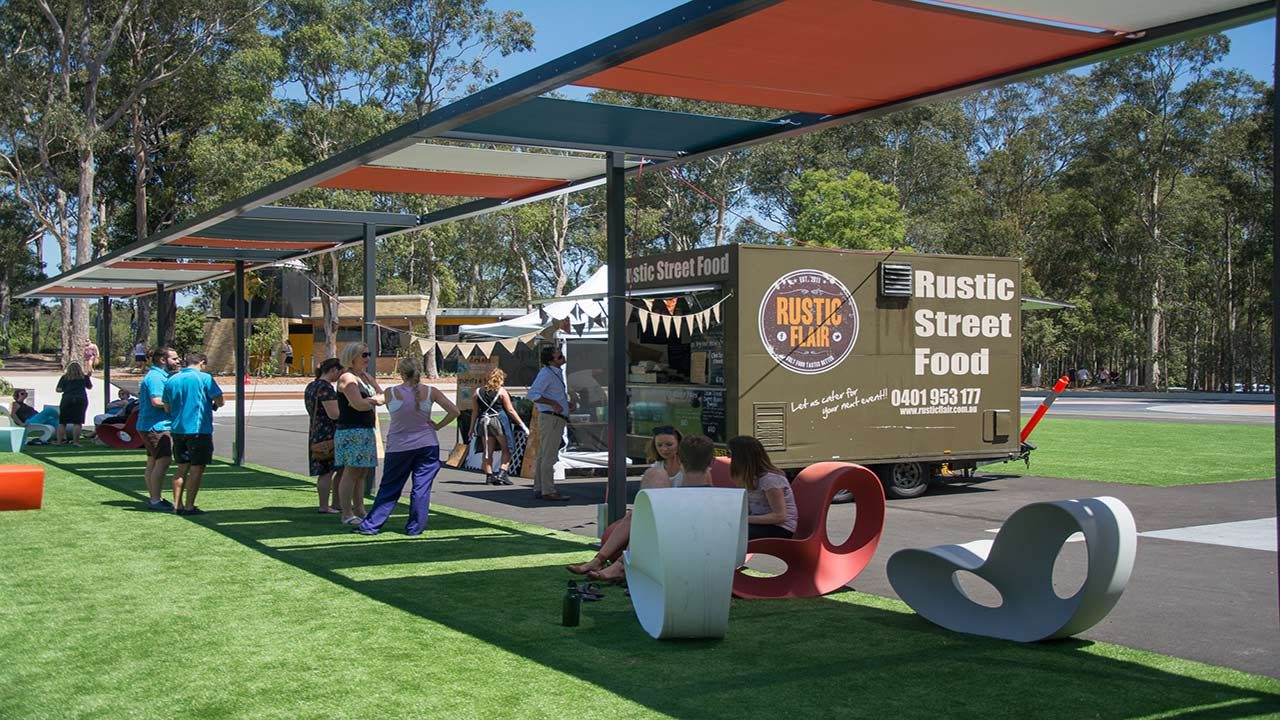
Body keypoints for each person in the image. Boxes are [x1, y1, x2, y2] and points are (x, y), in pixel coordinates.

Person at [568, 434, 714, 583]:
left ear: (680, 457)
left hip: (676, 545)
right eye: (660, 445)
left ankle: (618, 565)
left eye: (669, 445)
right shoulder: (724, 498)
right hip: (696, 545)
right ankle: (602, 561)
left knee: (645, 515)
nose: (664, 449)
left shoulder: (662, 475)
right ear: (711, 461)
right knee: (638, 514)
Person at [355, 356, 458, 536]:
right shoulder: (430, 391)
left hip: (399, 447)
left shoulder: (391, 393)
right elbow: (454, 411)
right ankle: (415, 527)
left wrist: (369, 382)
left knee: (390, 487)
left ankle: (371, 525)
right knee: (421, 488)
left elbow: (376, 399)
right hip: (427, 445)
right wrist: (438, 425)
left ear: (402, 373)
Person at [162, 352, 224, 515]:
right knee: (197, 468)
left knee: (181, 467)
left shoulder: (172, 379)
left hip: (177, 429)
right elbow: (220, 400)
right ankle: (189, 505)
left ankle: (177, 504)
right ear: (201, 363)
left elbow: (166, 406)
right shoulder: (204, 378)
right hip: (198, 430)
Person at [335, 342, 383, 526]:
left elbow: (382, 394)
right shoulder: (347, 378)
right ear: (352, 357)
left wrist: (373, 393)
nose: (367, 359)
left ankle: (360, 508)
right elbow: (358, 404)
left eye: (368, 354)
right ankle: (346, 513)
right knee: (351, 471)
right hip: (351, 430)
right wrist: (375, 401)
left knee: (362, 472)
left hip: (366, 429)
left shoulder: (363, 377)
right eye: (364, 355)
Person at [728, 435, 797, 540]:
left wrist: (744, 519)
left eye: (730, 454)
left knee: (730, 533)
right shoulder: (749, 477)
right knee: (724, 527)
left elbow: (780, 516)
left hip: (780, 528)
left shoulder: (770, 480)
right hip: (762, 524)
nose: (729, 457)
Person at [527, 344, 571, 501]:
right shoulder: (546, 373)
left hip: (553, 417)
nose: (562, 357)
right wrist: (554, 403)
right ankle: (548, 490)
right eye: (559, 355)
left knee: (543, 454)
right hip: (551, 417)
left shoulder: (553, 372)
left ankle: (540, 487)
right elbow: (533, 394)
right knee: (549, 456)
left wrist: (564, 404)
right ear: (551, 361)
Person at [470, 367, 529, 486]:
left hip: (484, 422)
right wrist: (522, 425)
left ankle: (489, 476)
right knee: (507, 448)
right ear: (500, 378)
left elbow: (475, 412)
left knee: (488, 451)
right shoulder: (502, 392)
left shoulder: (477, 392)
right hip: (498, 421)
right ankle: (502, 473)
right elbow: (511, 410)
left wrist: (471, 428)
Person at [138, 347, 180, 511]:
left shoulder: (158, 375)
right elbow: (156, 401)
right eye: (174, 359)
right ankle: (155, 500)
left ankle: (155, 497)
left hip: (150, 425)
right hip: (156, 427)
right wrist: (179, 404)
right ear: (163, 360)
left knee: (153, 462)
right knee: (163, 461)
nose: (178, 361)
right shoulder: (156, 377)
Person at [305, 358, 344, 514]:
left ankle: (327, 504)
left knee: (325, 470)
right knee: (328, 471)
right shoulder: (325, 388)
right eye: (339, 372)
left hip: (316, 430)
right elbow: (334, 414)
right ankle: (325, 505)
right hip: (327, 433)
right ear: (333, 370)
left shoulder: (311, 386)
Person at [55, 361, 93, 446]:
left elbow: (58, 389)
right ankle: (76, 441)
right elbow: (89, 387)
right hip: (80, 399)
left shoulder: (65, 378)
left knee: (62, 422)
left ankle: (59, 441)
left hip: (67, 399)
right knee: (77, 422)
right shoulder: (84, 377)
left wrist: (66, 389)